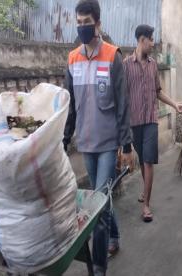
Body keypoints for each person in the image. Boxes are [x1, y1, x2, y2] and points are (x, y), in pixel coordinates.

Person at [62, 0, 134, 274]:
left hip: (107, 143)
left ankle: (99, 268)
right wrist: (65, 138)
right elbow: (69, 105)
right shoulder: (72, 59)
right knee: (99, 198)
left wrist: (126, 144)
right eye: (79, 23)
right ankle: (115, 236)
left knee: (97, 205)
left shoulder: (112, 56)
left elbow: (123, 104)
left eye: (87, 22)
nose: (82, 27)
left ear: (98, 24)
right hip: (85, 143)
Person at [123, 25, 182, 222]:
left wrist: (175, 104)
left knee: (148, 160)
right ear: (142, 40)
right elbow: (122, 97)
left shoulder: (152, 65)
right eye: (151, 39)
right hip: (134, 122)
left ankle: (147, 205)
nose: (153, 43)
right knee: (142, 159)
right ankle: (145, 190)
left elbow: (158, 91)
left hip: (150, 119)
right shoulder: (125, 65)